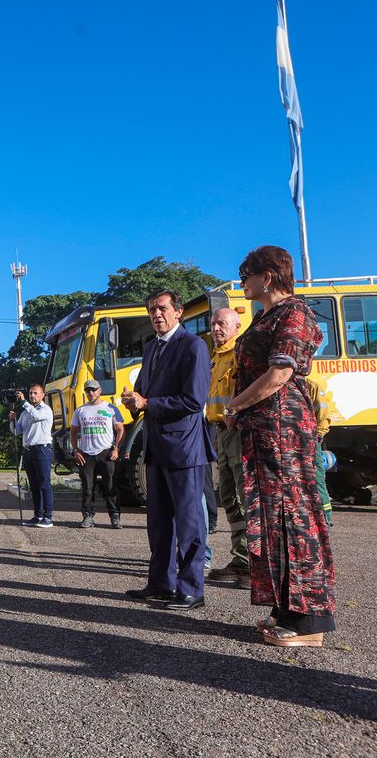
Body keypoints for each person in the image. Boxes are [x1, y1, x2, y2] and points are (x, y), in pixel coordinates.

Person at [226, 246, 334, 646]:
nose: (242, 282)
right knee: (272, 518)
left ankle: (310, 623)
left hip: (284, 430)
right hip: (265, 431)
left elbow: (280, 372)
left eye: (246, 274)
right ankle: (286, 610)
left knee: (295, 516)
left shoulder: (295, 313)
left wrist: (235, 405)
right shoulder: (266, 316)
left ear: (268, 276)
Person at [121, 289, 214, 611]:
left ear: (178, 312)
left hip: (185, 448)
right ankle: (160, 583)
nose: (156, 315)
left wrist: (149, 403)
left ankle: (191, 589)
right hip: (156, 445)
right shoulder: (151, 349)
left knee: (189, 522)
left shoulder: (193, 346)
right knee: (158, 521)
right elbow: (146, 395)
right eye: (151, 310)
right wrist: (135, 401)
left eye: (161, 309)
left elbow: (193, 400)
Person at [205, 308, 250, 588]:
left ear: (236, 326)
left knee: (245, 494)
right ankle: (240, 558)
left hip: (237, 430)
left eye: (222, 323)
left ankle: (251, 561)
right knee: (229, 495)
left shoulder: (241, 354)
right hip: (219, 431)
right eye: (213, 324)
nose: (216, 328)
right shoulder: (216, 356)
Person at [69, 379, 124, 529]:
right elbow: (73, 432)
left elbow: (120, 428)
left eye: (93, 390)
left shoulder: (110, 408)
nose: (90, 393)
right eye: (87, 390)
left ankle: (115, 516)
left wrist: (116, 448)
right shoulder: (80, 411)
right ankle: (87, 516)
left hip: (106, 452)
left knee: (110, 485)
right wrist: (76, 450)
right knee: (87, 487)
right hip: (87, 454)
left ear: (100, 390)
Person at [9, 384, 54, 528]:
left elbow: (38, 416)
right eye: (30, 393)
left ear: (42, 395)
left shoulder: (45, 410)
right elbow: (17, 431)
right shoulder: (25, 413)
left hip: (42, 449)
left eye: (35, 393)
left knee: (44, 484)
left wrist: (24, 403)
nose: (32, 395)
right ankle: (38, 515)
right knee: (33, 485)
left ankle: (48, 517)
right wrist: (12, 420)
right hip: (28, 450)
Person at [305, 378, 333, 527]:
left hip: (310, 438)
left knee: (317, 478)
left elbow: (323, 415)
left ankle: (325, 517)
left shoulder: (311, 387)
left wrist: (319, 435)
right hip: (292, 439)